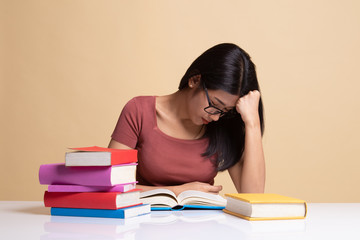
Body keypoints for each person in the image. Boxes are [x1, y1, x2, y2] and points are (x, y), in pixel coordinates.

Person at [108, 43, 265, 196]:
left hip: (205, 222)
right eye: (215, 104)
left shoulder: (223, 125)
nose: (216, 117)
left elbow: (254, 195)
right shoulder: (139, 111)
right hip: (145, 220)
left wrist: (253, 123)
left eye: (225, 111)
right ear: (195, 80)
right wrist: (178, 192)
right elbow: (110, 186)